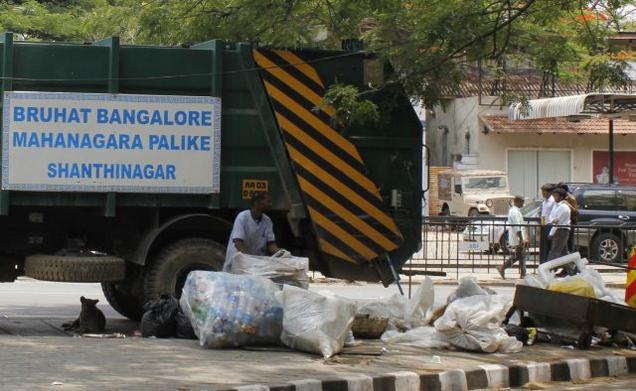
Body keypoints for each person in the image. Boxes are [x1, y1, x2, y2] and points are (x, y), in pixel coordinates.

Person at [222, 192, 280, 272]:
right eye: (268, 201)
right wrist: (249, 260)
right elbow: (238, 243)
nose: (271, 204)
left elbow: (271, 245)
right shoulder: (242, 217)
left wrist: (282, 254)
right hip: (238, 265)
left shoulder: (267, 221)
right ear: (257, 203)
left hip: (254, 266)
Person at [496, 196, 528, 280]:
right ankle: (504, 268)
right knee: (520, 255)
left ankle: (522, 274)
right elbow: (517, 226)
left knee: (520, 255)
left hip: (517, 236)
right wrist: (521, 238)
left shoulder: (515, 211)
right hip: (517, 237)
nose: (523, 204)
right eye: (522, 202)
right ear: (517, 201)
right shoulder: (514, 212)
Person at [547, 188, 571, 261]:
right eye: (554, 196)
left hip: (561, 230)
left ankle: (548, 269)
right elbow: (551, 218)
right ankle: (573, 269)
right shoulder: (556, 205)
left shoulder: (563, 207)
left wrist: (551, 233)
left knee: (554, 251)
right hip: (558, 230)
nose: (554, 198)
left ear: (561, 197)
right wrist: (552, 220)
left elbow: (557, 222)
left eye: (556, 196)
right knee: (564, 254)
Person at [556, 182, 579, 253]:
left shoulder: (570, 198)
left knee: (569, 241)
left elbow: (576, 212)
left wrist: (568, 205)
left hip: (570, 222)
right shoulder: (560, 197)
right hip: (561, 222)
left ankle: (572, 258)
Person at [539, 183, 556, 263]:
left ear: (549, 192)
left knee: (549, 247)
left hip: (550, 225)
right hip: (544, 225)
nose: (542, 194)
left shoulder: (553, 201)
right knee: (543, 247)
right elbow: (543, 213)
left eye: (544, 192)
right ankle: (543, 263)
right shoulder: (544, 201)